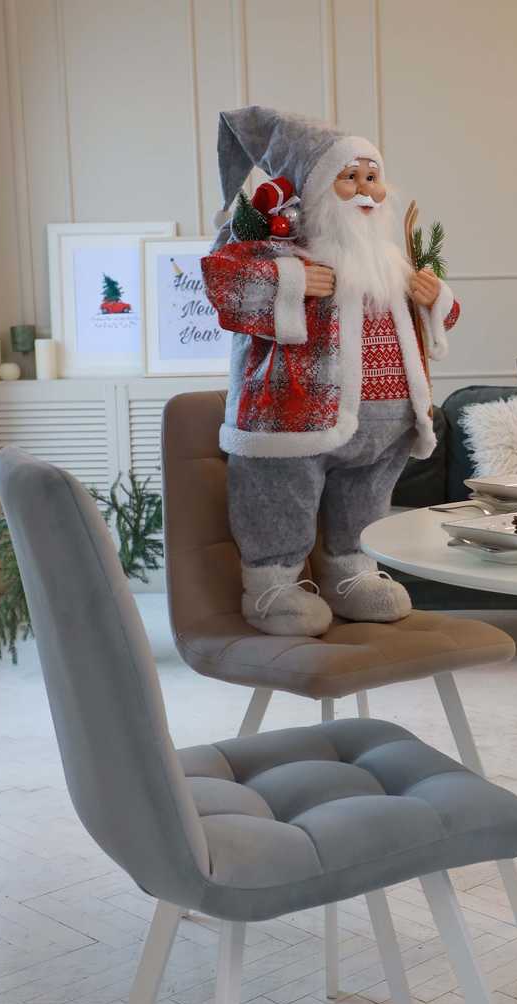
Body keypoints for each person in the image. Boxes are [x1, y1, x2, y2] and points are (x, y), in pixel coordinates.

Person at [202, 106, 459, 636]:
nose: (366, 190)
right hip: (295, 417)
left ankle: (352, 573)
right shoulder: (279, 245)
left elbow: (434, 321)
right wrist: (290, 282)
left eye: (372, 176)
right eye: (350, 177)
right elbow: (222, 284)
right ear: (317, 187)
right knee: (280, 497)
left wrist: (435, 298)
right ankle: (272, 587)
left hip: (384, 426)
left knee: (366, 504)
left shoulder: (390, 259)